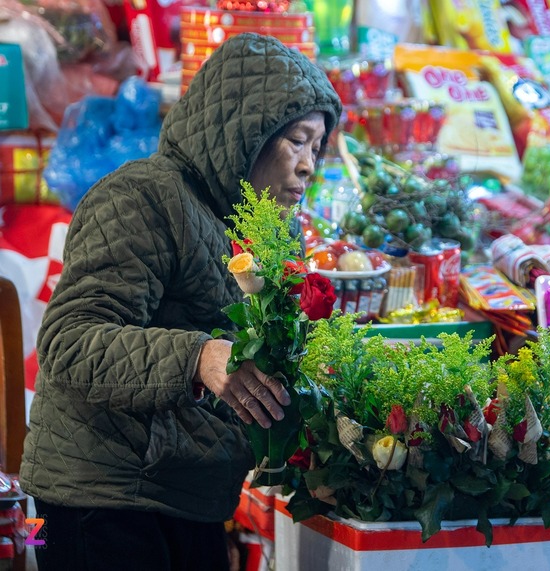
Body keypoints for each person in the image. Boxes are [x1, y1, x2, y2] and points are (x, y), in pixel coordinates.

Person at [20, 33, 342, 570]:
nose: (309, 164)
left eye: (318, 146)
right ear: (246, 131)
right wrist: (198, 357)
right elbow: (69, 343)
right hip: (99, 496)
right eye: (296, 140)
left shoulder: (268, 232)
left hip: (189, 495)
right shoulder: (142, 198)